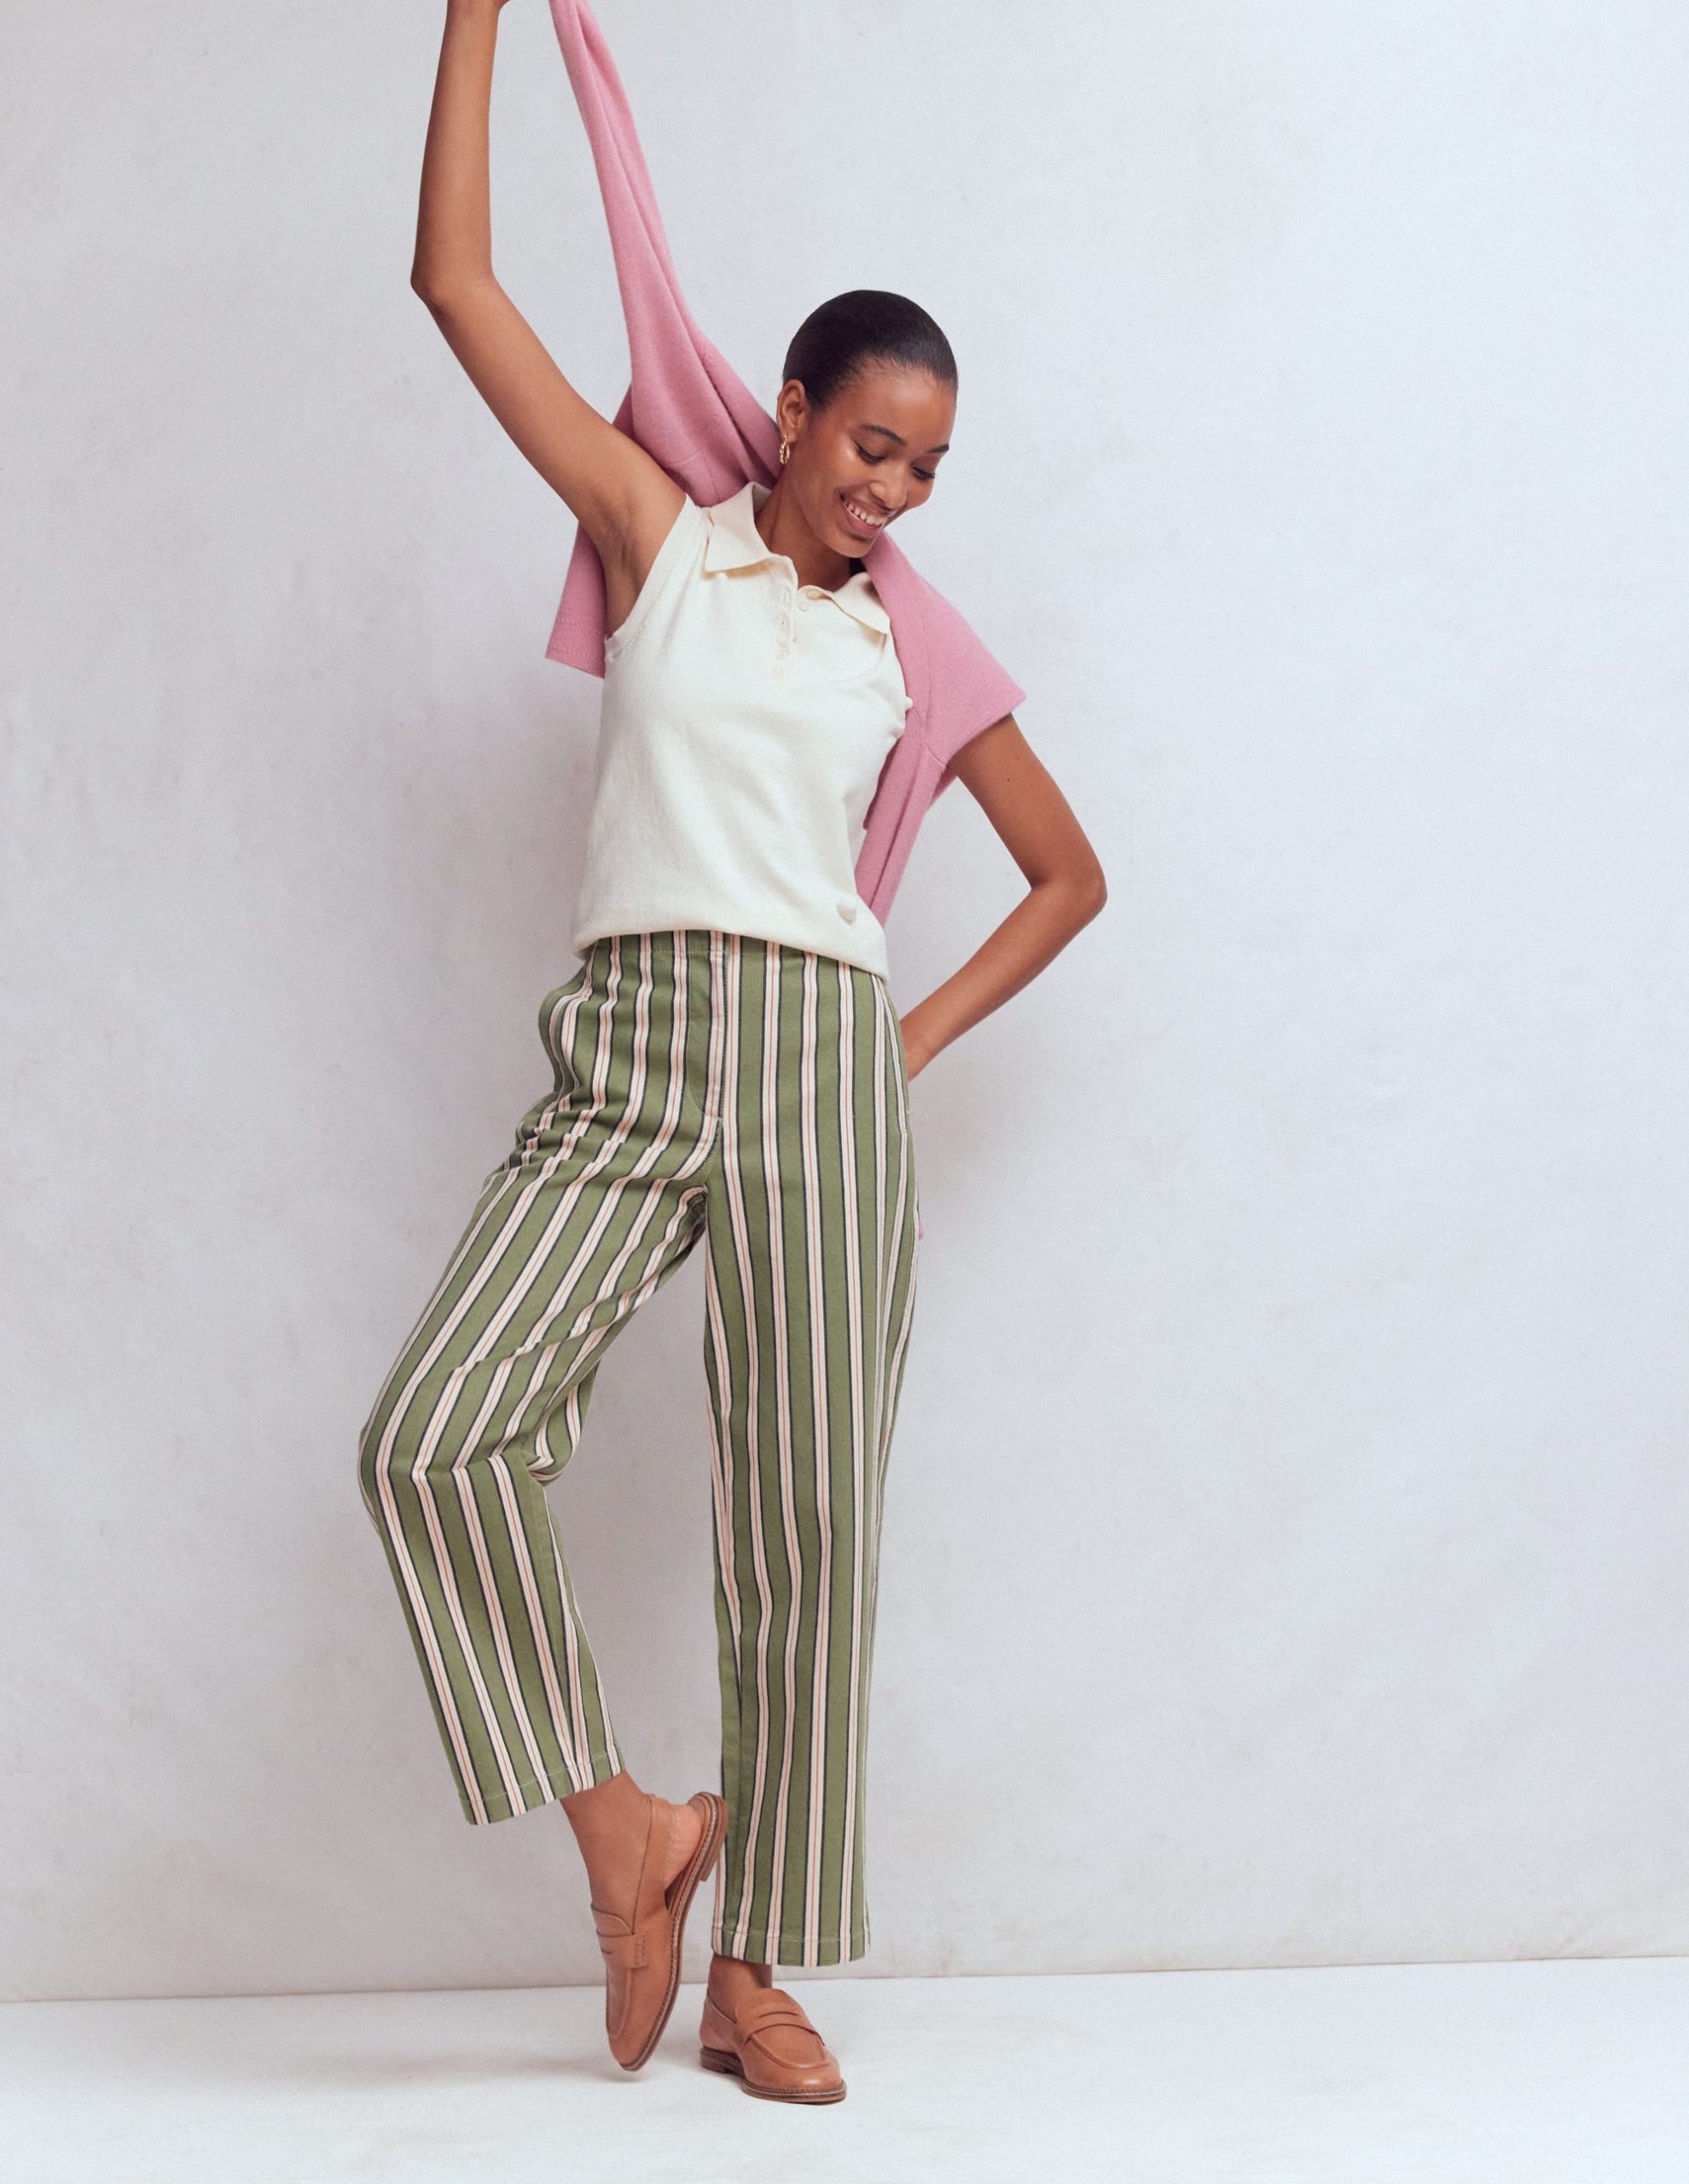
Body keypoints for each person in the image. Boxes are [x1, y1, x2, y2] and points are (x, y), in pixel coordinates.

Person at [358, 0, 1107, 2106]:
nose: (894, 492)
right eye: (872, 446)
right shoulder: (659, 537)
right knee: (432, 1433)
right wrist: (480, 18)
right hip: (633, 1043)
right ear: (789, 410)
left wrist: (895, 1047)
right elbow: (454, 281)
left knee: (803, 1524)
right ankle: (630, 1830)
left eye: (926, 468)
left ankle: (753, 1968)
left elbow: (1068, 874)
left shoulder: (906, 639)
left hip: (818, 1063)